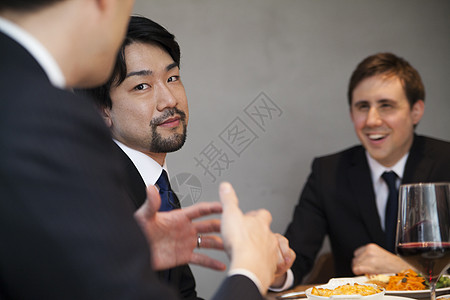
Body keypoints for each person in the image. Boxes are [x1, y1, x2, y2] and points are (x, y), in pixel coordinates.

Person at [0, 1, 291, 299]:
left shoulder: (157, 191)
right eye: (141, 86)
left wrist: (269, 270)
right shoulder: (47, 125)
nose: (169, 100)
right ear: (101, 111)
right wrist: (249, 269)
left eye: (172, 78)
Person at [278, 52, 450, 288]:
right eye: (362, 107)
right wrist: (276, 269)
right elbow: (295, 261)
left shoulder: (446, 162)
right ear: (351, 114)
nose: (371, 120)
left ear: (416, 111)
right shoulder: (326, 172)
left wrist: (405, 269)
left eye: (386, 106)